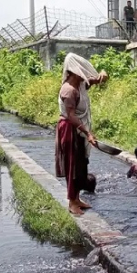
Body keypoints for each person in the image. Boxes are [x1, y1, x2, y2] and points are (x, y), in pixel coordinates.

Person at [55, 53, 108, 215]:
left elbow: (95, 80)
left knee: (80, 164)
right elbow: (71, 115)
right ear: (72, 71)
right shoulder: (69, 90)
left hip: (78, 130)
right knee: (72, 165)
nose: (84, 74)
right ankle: (72, 202)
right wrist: (88, 133)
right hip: (70, 130)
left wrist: (103, 76)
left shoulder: (79, 84)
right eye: (81, 71)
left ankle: (77, 198)